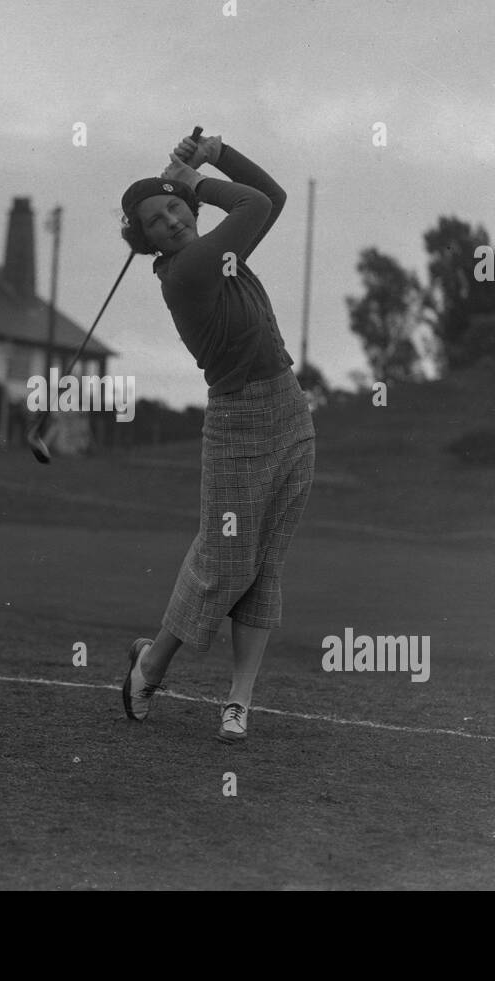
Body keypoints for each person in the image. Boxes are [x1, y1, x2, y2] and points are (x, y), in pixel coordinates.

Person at [118, 132, 316, 743]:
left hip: (288, 405)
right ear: (145, 239)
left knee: (265, 562)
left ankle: (238, 701)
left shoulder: (222, 255)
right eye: (156, 220)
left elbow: (272, 197)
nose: (172, 221)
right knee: (223, 560)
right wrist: (195, 176)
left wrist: (217, 154)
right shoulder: (186, 271)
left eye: (175, 209)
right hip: (237, 419)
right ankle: (149, 666)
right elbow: (254, 206)